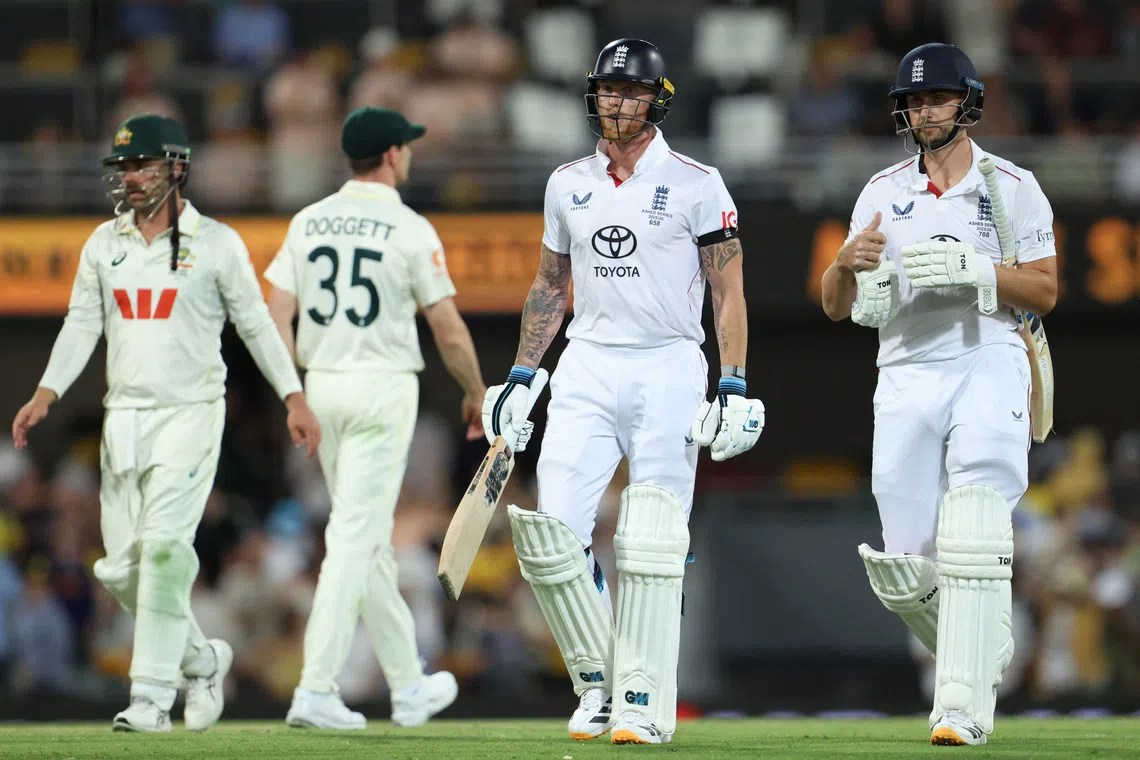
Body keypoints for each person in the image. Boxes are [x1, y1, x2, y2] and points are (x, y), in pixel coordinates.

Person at [482, 39, 764, 745]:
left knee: (653, 542)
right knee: (552, 540)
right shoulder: (566, 182)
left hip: (670, 363)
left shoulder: (699, 182)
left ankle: (642, 698)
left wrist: (732, 382)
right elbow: (550, 285)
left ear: (656, 99)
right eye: (607, 89)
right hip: (586, 364)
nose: (616, 102)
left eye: (629, 91)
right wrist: (522, 375)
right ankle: (599, 686)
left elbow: (728, 292)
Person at [10, 114, 320, 732]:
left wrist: (293, 395)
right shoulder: (105, 243)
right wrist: (46, 391)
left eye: (142, 165)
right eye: (123, 166)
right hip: (121, 418)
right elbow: (81, 324)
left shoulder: (219, 243)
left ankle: (149, 699)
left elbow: (257, 324)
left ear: (177, 167)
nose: (129, 177)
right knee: (121, 568)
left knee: (164, 552)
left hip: (190, 414)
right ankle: (202, 659)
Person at [820, 43, 1058, 746]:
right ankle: (982, 649)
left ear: (967, 102)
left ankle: (960, 706)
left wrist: (977, 271)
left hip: (986, 355)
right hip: (903, 372)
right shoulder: (880, 191)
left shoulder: (1010, 184)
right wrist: (842, 263)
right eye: (914, 102)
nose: (925, 112)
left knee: (977, 520)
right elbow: (835, 305)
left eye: (937, 99)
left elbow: (1044, 289)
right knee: (905, 565)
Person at [265, 107, 480, 729]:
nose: (408, 154)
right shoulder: (409, 227)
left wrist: (291, 394)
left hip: (322, 385)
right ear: (390, 154)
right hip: (382, 387)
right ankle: (315, 689)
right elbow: (446, 325)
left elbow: (274, 312)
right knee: (354, 538)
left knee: (367, 541)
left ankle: (409, 686)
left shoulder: (308, 220)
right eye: (405, 147)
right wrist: (474, 390)